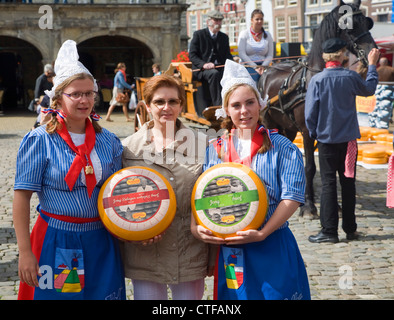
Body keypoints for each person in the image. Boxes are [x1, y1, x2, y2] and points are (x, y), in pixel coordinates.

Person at [13, 40, 126, 300]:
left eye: (89, 93)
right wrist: (26, 251)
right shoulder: (39, 140)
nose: (83, 100)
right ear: (58, 98)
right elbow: (21, 197)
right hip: (56, 239)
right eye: (75, 94)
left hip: (101, 240)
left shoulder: (109, 141)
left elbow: (120, 191)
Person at [192, 59, 310, 300]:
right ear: (227, 110)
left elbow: (292, 196)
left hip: (272, 244)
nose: (244, 111)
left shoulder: (282, 146)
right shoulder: (215, 148)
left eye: (249, 102)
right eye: (236, 105)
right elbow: (204, 194)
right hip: (231, 251)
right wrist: (196, 227)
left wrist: (263, 232)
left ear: (260, 104)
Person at [121, 74, 215, 300]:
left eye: (173, 101)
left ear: (182, 104)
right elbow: (118, 201)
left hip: (189, 252)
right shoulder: (127, 148)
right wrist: (133, 231)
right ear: (147, 105)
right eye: (159, 102)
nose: (166, 107)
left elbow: (213, 194)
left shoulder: (205, 146)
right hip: (145, 253)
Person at [305, 38, 380, 243]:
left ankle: (329, 231)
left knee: (328, 184)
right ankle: (350, 229)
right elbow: (370, 89)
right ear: (341, 55)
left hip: (327, 140)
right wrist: (372, 65)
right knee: (348, 183)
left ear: (324, 57)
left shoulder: (317, 80)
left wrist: (314, 133)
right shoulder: (350, 77)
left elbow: (310, 114)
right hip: (348, 142)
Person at [189, 10, 233, 107]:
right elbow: (192, 55)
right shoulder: (198, 34)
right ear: (208, 21)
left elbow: (228, 56)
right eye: (216, 20)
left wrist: (233, 65)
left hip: (219, 67)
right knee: (214, 74)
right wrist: (204, 64)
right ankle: (219, 106)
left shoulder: (224, 37)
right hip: (201, 69)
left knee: (232, 73)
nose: (218, 23)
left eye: (220, 20)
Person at [237, 9, 274, 83]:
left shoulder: (268, 35)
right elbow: (242, 54)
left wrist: (262, 66)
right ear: (251, 20)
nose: (260, 21)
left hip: (263, 65)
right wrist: (255, 66)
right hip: (248, 65)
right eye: (257, 19)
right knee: (256, 78)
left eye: (261, 19)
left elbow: (270, 55)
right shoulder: (244, 34)